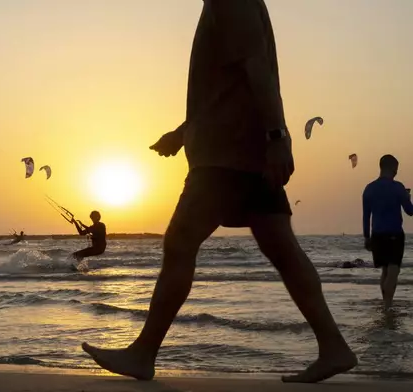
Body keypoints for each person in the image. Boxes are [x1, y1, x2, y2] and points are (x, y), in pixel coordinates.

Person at [81, 0, 356, 383]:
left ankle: (143, 353)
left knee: (180, 243)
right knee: (284, 250)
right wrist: (183, 132)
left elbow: (257, 69)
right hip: (246, 149)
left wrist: (278, 135)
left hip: (226, 155)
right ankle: (334, 346)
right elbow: (229, 84)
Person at [362, 155, 413, 311]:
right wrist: (408, 197)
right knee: (393, 270)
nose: (397, 172)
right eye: (396, 168)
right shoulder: (397, 187)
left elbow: (366, 216)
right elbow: (410, 211)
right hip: (394, 234)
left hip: (377, 235)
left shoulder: (369, 189)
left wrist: (366, 237)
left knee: (385, 270)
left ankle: (386, 305)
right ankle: (387, 307)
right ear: (391, 168)